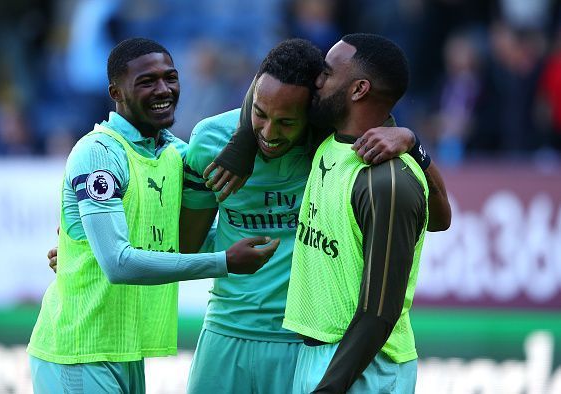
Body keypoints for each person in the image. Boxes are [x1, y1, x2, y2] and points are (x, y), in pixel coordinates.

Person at [181, 38, 450, 393]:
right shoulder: (220, 139)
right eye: (260, 115)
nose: (269, 133)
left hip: (323, 348)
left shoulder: (349, 152)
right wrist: (244, 138)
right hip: (240, 334)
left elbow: (436, 222)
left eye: (326, 73)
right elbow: (187, 246)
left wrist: (412, 140)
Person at [27, 37, 279, 394]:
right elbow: (118, 264)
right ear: (116, 91)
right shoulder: (98, 154)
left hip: (127, 351)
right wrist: (224, 261)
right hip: (77, 349)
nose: (164, 89)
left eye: (170, 78)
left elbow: (176, 239)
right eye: (147, 81)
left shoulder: (176, 154)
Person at [283, 33, 429, 393]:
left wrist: (329, 387)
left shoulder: (388, 181)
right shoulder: (327, 143)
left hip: (367, 369)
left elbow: (379, 311)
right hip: (319, 358)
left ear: (359, 89)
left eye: (328, 73)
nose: (317, 80)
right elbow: (267, 81)